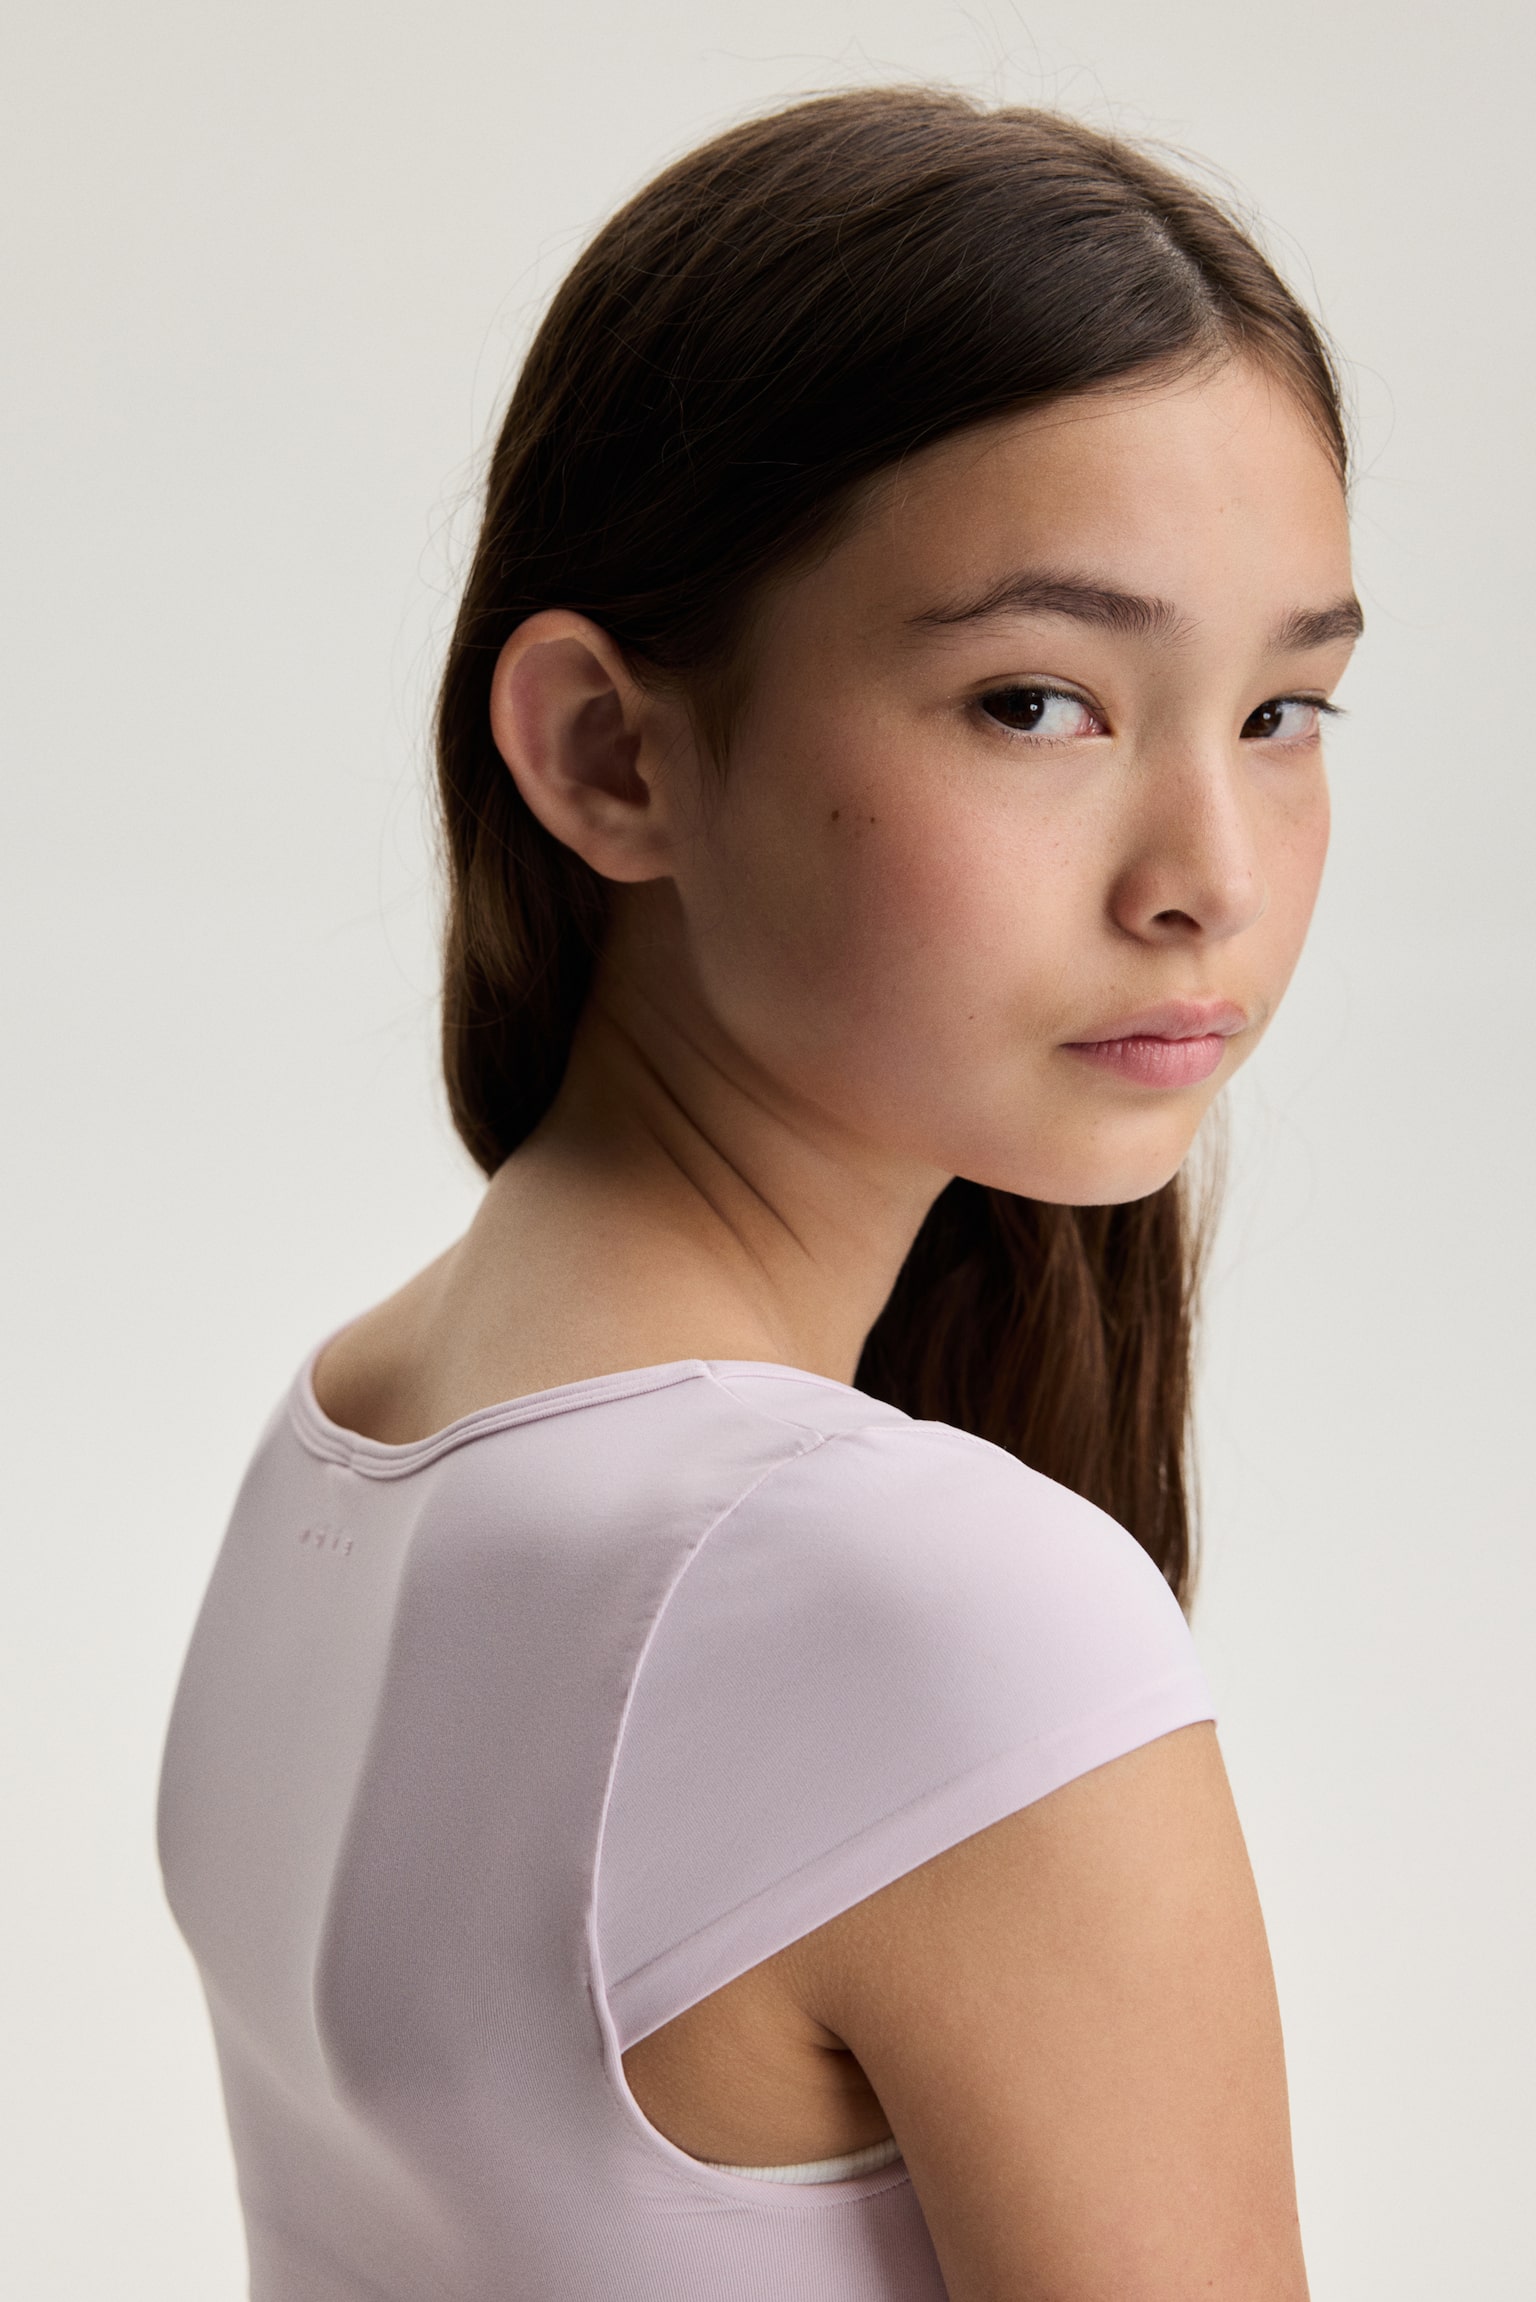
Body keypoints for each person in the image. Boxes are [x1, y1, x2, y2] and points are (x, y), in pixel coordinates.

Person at [158, 87, 1358, 2301]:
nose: (1209, 874)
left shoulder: (347, 1436)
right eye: (1037, 702)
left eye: (1286, 711)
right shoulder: (932, 1604)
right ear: (609, 752)